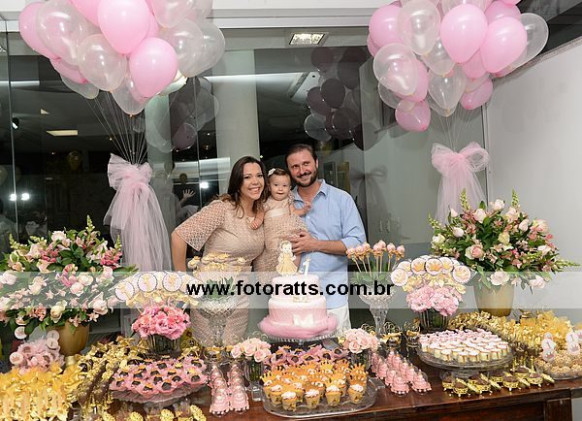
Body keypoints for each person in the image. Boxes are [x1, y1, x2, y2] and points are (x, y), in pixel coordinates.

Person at [171, 156, 268, 346]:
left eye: (259, 175)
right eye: (247, 177)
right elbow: (178, 236)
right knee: (210, 355)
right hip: (211, 297)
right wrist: (182, 282)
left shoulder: (261, 212)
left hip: (240, 298)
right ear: (237, 182)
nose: (255, 181)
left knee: (234, 353)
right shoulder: (222, 209)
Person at [286, 144, 366, 335]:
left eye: (306, 163)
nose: (302, 170)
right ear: (289, 170)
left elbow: (358, 244)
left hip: (333, 299)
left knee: (338, 351)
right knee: (298, 353)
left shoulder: (341, 199)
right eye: (295, 166)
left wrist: (314, 244)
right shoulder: (283, 204)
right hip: (294, 302)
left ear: (316, 163)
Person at [252, 168, 310, 279]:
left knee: (295, 249)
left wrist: (304, 210)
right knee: (274, 250)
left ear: (289, 188)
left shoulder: (288, 200)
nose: (280, 189)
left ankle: (293, 271)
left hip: (288, 230)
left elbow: (294, 212)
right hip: (273, 233)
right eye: (276, 185)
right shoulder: (266, 202)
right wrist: (257, 221)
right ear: (269, 187)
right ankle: (278, 273)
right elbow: (260, 215)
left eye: (284, 186)